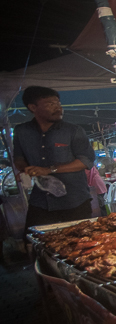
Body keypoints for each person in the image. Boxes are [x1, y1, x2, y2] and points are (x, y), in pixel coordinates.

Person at [13, 86, 96, 228]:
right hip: (41, 201)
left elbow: (85, 161)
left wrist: (49, 170)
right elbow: (19, 158)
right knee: (34, 241)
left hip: (74, 201)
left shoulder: (73, 131)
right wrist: (25, 170)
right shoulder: (22, 131)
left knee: (79, 243)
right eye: (51, 104)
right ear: (33, 107)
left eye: (58, 103)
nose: (58, 108)